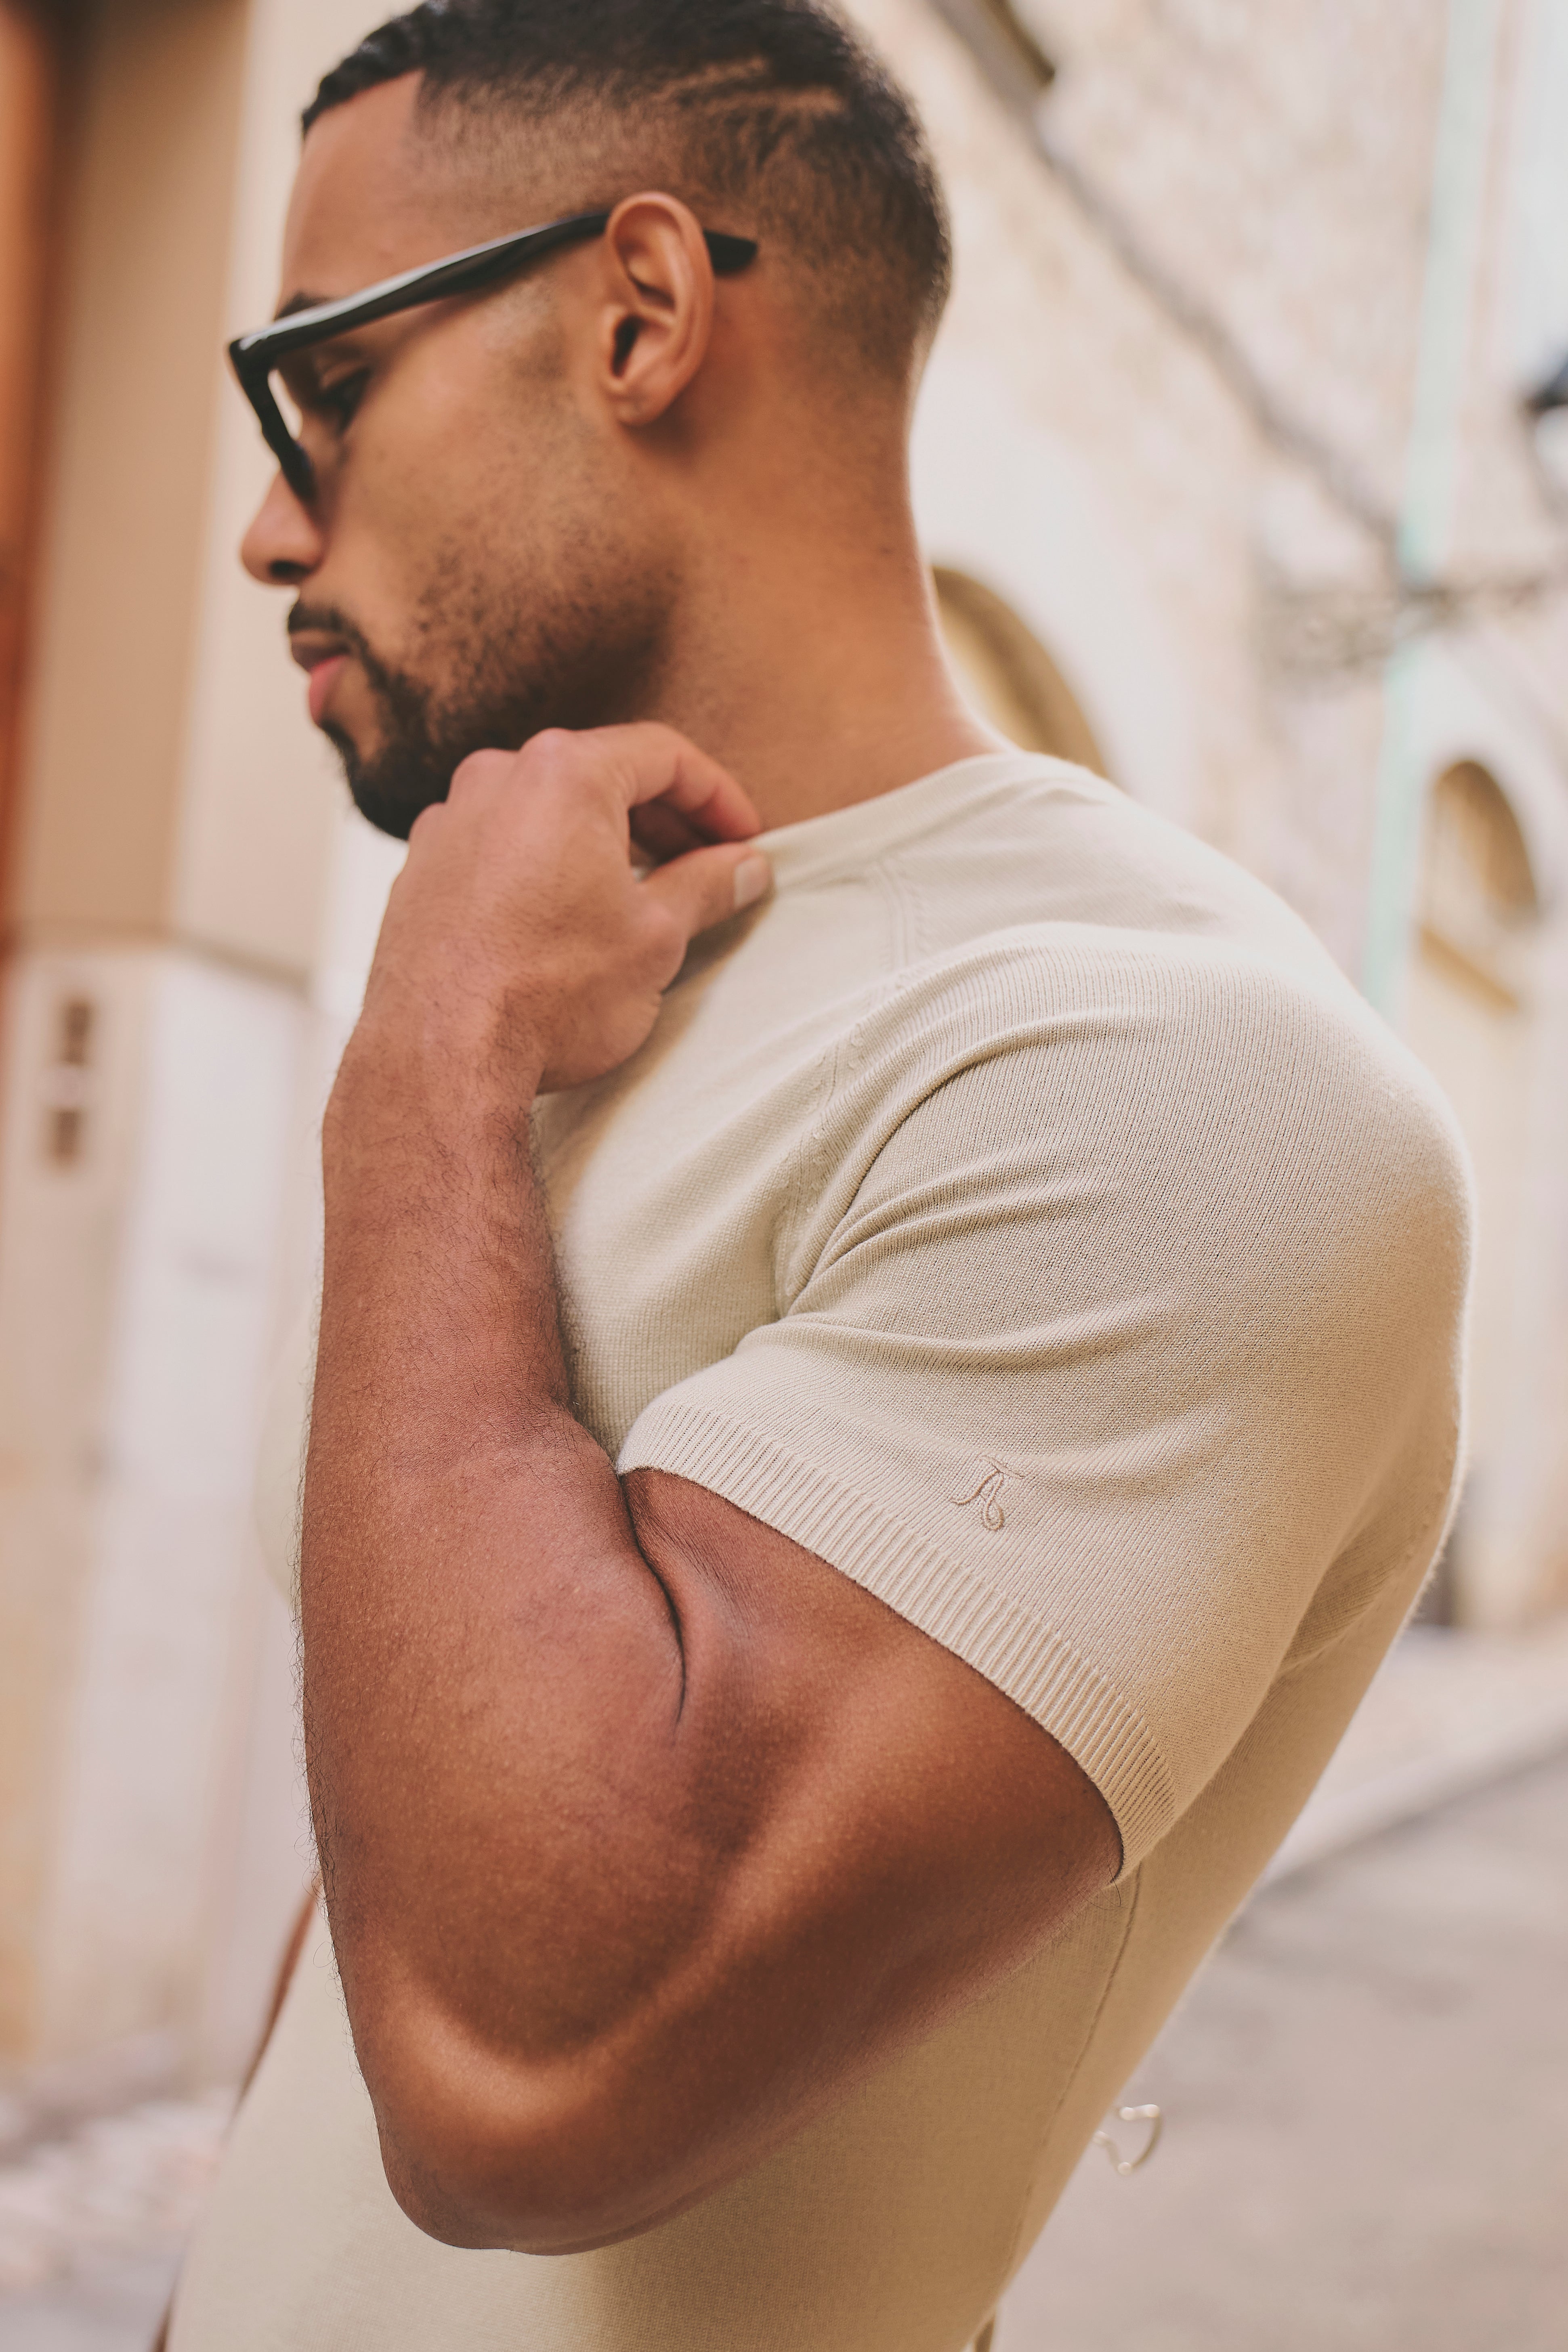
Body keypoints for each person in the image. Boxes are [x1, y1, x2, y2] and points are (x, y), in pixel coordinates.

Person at [165, 3, 1471, 2346]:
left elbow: (521, 2064)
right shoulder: (576, 978)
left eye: (325, 384)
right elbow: (399, 1845)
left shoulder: (1176, 1084)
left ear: (640, 313)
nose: (274, 522)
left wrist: (424, 1066)